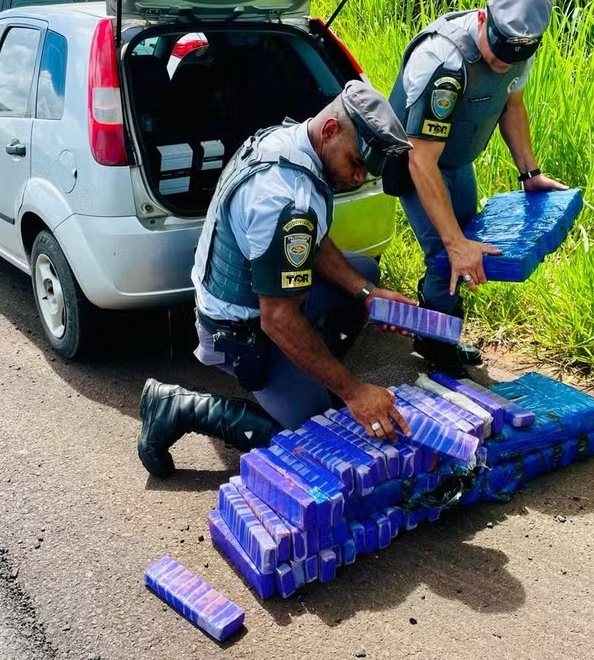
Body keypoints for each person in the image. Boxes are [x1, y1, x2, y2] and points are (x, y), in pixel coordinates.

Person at [138, 81, 417, 478]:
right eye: (355, 163)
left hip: (250, 297)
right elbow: (278, 319)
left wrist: (367, 292)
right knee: (321, 443)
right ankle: (177, 407)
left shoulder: (290, 141)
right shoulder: (284, 198)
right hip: (237, 331)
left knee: (364, 274)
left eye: (365, 172)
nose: (357, 177)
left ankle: (307, 371)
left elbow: (310, 242)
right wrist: (354, 392)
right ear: (330, 130)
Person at [386, 0, 568, 374]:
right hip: (417, 164)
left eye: (515, 55)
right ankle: (435, 344)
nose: (504, 62)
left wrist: (530, 173)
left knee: (470, 246)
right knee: (446, 255)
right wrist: (453, 243)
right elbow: (420, 161)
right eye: (498, 50)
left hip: (456, 160)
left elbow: (512, 106)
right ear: (484, 18)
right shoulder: (443, 62)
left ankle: (442, 328)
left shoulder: (518, 48)